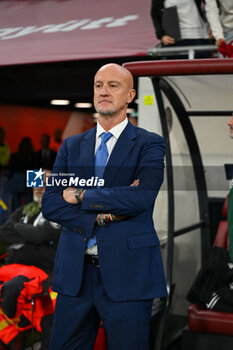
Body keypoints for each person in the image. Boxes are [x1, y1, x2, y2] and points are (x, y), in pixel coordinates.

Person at [42, 63, 167, 350]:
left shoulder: (149, 144)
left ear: (130, 95)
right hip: (76, 275)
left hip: (128, 275)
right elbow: (50, 203)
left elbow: (142, 197)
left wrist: (80, 195)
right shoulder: (71, 146)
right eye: (99, 85)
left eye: (113, 85)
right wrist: (100, 217)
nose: (104, 91)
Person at [0, 172, 61, 349]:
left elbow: (42, 234)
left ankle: (15, 328)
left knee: (13, 288)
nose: (40, 187)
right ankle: (12, 338)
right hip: (12, 265)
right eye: (37, 183)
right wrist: (32, 236)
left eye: (45, 183)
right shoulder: (24, 209)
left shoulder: (59, 211)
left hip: (39, 270)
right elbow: (3, 232)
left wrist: (18, 228)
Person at [7, 137, 35, 211]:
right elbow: (36, 170)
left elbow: (9, 172)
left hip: (16, 182)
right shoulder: (34, 157)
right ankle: (27, 218)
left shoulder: (14, 156)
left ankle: (17, 218)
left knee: (16, 205)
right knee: (29, 204)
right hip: (30, 180)